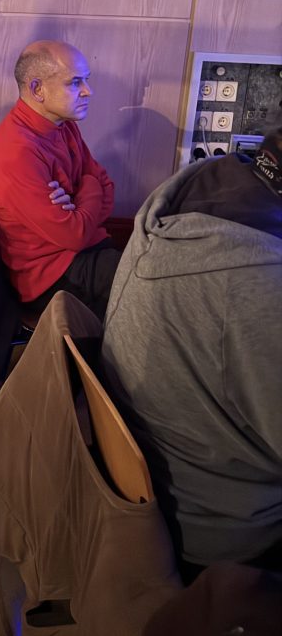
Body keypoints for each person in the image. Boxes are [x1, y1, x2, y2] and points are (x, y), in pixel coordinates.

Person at [102, 128, 282, 577]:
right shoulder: (264, 279)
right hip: (219, 535)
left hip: (145, 491)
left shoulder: (199, 181)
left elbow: (96, 192)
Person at [0, 39, 119, 321]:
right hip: (53, 277)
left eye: (86, 80)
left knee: (166, 267)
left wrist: (79, 202)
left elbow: (107, 189)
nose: (88, 91)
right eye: (75, 82)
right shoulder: (15, 152)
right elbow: (75, 234)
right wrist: (88, 186)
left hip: (82, 252)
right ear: (37, 89)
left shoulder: (64, 125)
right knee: (160, 289)